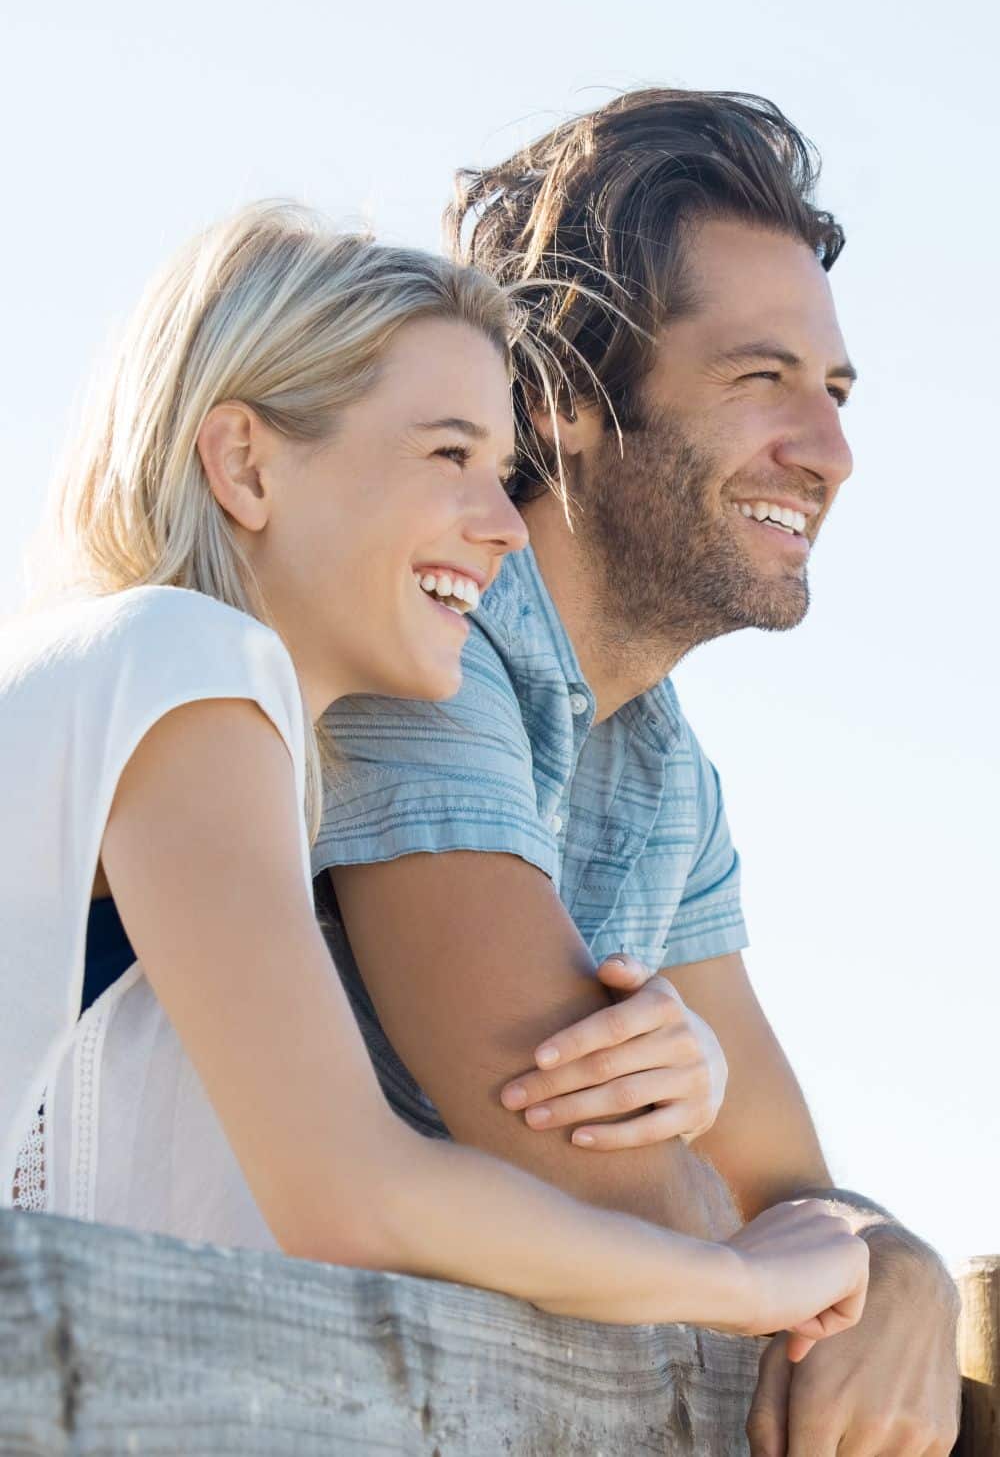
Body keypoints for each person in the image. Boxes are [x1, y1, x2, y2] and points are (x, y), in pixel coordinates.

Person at [0, 202, 868, 1354]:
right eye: (449, 454)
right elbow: (355, 1192)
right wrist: (739, 1281)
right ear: (245, 464)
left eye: (504, 471)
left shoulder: (224, 740)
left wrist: (691, 1083)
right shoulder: (184, 663)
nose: (506, 525)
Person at [313, 93, 961, 1453]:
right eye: (759, 377)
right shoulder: (428, 636)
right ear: (566, 394)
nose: (830, 451)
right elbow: (571, 1159)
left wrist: (899, 1263)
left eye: (834, 393)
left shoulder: (663, 764)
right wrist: (813, 1248)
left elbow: (789, 1182)